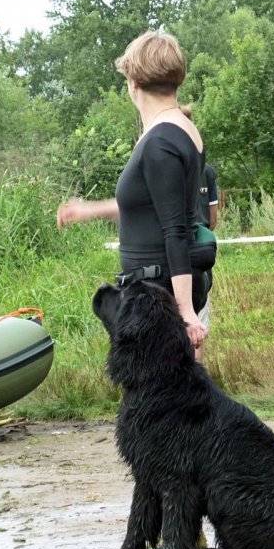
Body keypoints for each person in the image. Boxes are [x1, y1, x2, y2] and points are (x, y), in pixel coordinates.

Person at [57, 30, 216, 352]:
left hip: (159, 292)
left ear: (133, 82)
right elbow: (154, 203)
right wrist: (89, 210)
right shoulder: (179, 129)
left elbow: (175, 229)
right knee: (169, 395)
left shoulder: (160, 140)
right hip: (159, 286)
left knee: (160, 395)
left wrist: (184, 311)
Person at [179, 105, 219, 362]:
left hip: (172, 258)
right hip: (202, 256)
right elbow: (213, 220)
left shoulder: (165, 164)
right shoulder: (207, 170)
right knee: (197, 326)